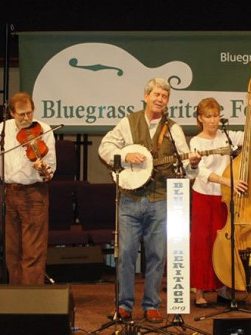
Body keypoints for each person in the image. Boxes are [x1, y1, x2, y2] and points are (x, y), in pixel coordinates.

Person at [98, 78, 201, 323]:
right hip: (130, 199)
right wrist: (124, 155)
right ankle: (124, 305)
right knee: (126, 254)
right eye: (156, 95)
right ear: (146, 96)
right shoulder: (128, 122)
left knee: (157, 255)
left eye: (165, 96)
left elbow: (183, 163)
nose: (160, 99)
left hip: (160, 199)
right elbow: (104, 148)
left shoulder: (173, 129)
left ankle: (151, 305)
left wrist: (193, 163)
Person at [0, 92, 56, 285]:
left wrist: (42, 167)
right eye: (21, 114)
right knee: (12, 250)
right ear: (11, 113)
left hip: (34, 193)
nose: (27, 118)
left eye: (29, 113)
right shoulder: (3, 128)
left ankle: (31, 299)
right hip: (9, 192)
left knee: (33, 251)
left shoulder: (44, 129)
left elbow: (51, 165)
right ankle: (16, 296)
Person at [189, 96, 251, 307]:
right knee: (202, 242)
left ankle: (223, 287)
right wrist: (226, 180)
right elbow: (200, 171)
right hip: (203, 196)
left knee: (224, 242)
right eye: (208, 116)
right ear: (200, 118)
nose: (213, 120)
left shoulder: (227, 136)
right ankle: (199, 290)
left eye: (216, 115)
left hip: (224, 198)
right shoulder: (196, 142)